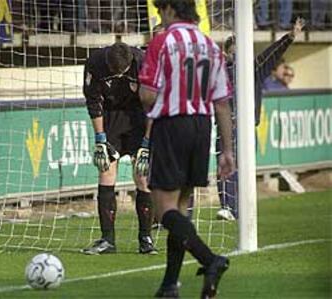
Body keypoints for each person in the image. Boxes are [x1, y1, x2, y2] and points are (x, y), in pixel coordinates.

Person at [138, 0, 235, 297]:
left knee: (163, 207)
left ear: (168, 9)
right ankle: (170, 285)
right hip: (202, 128)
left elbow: (147, 94)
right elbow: (221, 102)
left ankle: (210, 260)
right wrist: (227, 150)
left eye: (159, 10)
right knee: (181, 208)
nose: (159, 16)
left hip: (172, 125)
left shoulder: (162, 42)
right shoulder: (211, 46)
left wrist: (152, 97)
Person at [216, 17, 304, 221]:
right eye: (234, 50)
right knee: (226, 166)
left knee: (241, 169)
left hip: (246, 127)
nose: (238, 54)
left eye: (241, 50)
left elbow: (271, 55)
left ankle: (238, 208)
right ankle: (229, 207)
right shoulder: (220, 71)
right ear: (227, 52)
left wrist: (289, 37)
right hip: (226, 126)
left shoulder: (253, 69)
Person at [81, 41, 157, 255]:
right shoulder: (95, 63)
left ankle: (146, 239)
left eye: (120, 72)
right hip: (111, 117)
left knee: (142, 175)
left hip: (139, 117)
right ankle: (107, 241)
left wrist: (146, 143)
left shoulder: (144, 63)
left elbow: (153, 105)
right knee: (106, 171)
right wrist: (100, 139)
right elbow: (93, 102)